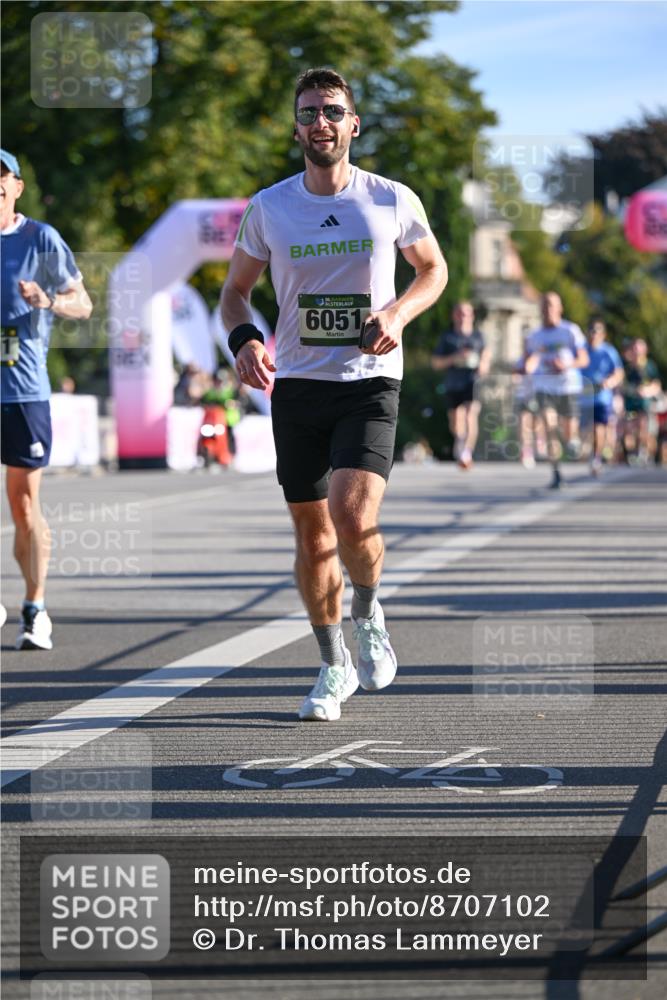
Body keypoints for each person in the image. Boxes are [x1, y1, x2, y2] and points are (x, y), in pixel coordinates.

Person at [221, 67, 447, 721]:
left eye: (331, 111)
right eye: (308, 113)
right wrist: (244, 339)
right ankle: (332, 662)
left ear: (353, 124)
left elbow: (433, 270)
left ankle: (368, 613)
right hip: (297, 383)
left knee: (351, 517)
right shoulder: (270, 207)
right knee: (313, 535)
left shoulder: (390, 199)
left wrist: (397, 313)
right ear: (296, 129)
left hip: (368, 380)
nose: (319, 121)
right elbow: (235, 291)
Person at [1, 150, 92, 649]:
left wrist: (49, 300)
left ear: (17, 187)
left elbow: (84, 303)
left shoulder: (40, 238)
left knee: (23, 504)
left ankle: (34, 608)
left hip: (22, 390)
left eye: (2, 178)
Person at [523, 291, 589, 489]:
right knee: (549, 427)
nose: (547, 309)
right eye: (544, 305)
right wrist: (531, 363)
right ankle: (556, 473)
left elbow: (584, 359)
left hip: (568, 387)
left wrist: (566, 365)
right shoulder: (534, 336)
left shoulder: (570, 330)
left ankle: (572, 440)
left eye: (551, 305)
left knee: (568, 435)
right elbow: (527, 362)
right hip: (544, 387)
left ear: (560, 308)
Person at [431, 301, 490, 469]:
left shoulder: (478, 336)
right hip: (453, 383)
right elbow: (436, 363)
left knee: (471, 415)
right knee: (456, 421)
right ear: (454, 316)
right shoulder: (448, 337)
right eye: (459, 313)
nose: (463, 317)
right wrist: (455, 358)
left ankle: (466, 453)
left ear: (472, 316)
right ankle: (460, 440)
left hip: (473, 382)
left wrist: (483, 364)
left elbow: (486, 353)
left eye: (466, 313)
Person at [580, 318, 624, 475]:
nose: (593, 335)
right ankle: (590, 451)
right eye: (591, 331)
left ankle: (596, 457)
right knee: (584, 430)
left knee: (598, 427)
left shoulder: (608, 351)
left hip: (601, 398)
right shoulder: (581, 350)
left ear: (603, 334)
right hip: (582, 397)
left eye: (596, 332)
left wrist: (609, 382)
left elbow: (618, 372)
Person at [621, 338, 662, 464]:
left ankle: (643, 453)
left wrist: (647, 390)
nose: (636, 351)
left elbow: (656, 385)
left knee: (643, 427)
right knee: (629, 430)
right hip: (630, 404)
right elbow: (622, 384)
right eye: (634, 348)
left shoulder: (649, 366)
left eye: (639, 348)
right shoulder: (627, 368)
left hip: (644, 404)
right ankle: (631, 453)